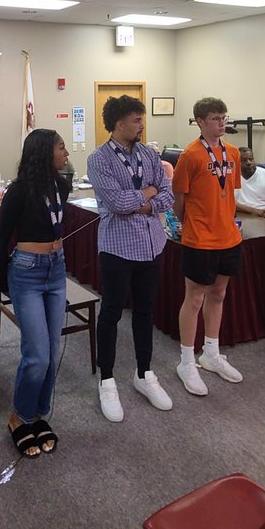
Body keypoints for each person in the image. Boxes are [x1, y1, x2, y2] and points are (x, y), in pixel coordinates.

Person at [87, 96, 174, 422]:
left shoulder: (151, 155)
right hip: (117, 248)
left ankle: (144, 372)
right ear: (119, 123)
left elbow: (169, 194)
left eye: (141, 119)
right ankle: (106, 379)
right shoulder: (99, 160)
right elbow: (118, 203)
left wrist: (148, 199)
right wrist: (149, 193)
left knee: (145, 310)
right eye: (136, 119)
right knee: (110, 312)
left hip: (152, 244)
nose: (141, 125)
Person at [0, 129, 72, 455]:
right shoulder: (18, 192)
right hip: (26, 273)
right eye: (60, 147)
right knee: (37, 355)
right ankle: (19, 416)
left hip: (56, 270)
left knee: (52, 351)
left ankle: (37, 414)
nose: (66, 152)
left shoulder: (62, 185)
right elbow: (0, 240)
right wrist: (3, 284)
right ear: (44, 153)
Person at [171, 97, 245, 395]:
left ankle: (211, 353)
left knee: (219, 293)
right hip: (199, 238)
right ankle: (187, 361)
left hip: (229, 236)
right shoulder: (190, 156)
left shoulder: (234, 153)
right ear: (200, 121)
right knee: (195, 299)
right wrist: (187, 225)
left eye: (224, 117)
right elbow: (179, 200)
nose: (221, 123)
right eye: (215, 118)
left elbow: (229, 192)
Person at [233, 146, 265, 220]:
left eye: (251, 159)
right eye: (244, 160)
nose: (249, 163)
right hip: (240, 215)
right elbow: (228, 202)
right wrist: (253, 210)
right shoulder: (231, 176)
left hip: (264, 216)